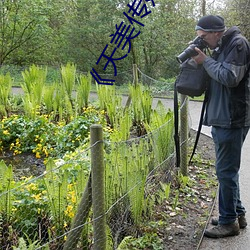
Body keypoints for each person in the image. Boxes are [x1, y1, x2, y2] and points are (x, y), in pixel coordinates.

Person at [192, 15, 250, 238]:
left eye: (204, 37)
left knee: (225, 171)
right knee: (227, 171)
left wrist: (205, 61)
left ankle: (228, 223)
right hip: (222, 117)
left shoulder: (238, 44)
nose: (203, 41)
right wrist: (202, 59)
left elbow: (229, 77)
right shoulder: (221, 46)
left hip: (232, 118)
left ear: (216, 32)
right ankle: (237, 214)